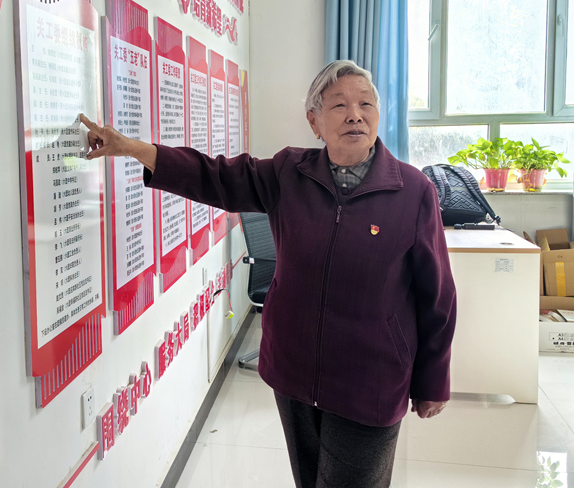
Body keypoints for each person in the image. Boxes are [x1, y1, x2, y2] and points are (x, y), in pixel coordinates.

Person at [80, 59, 456, 488]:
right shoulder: (288, 173)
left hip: (370, 378)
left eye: (365, 103)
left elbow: (438, 295)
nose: (355, 114)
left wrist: (433, 380)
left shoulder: (413, 191)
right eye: (339, 105)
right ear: (314, 122)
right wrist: (133, 148)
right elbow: (214, 176)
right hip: (295, 372)